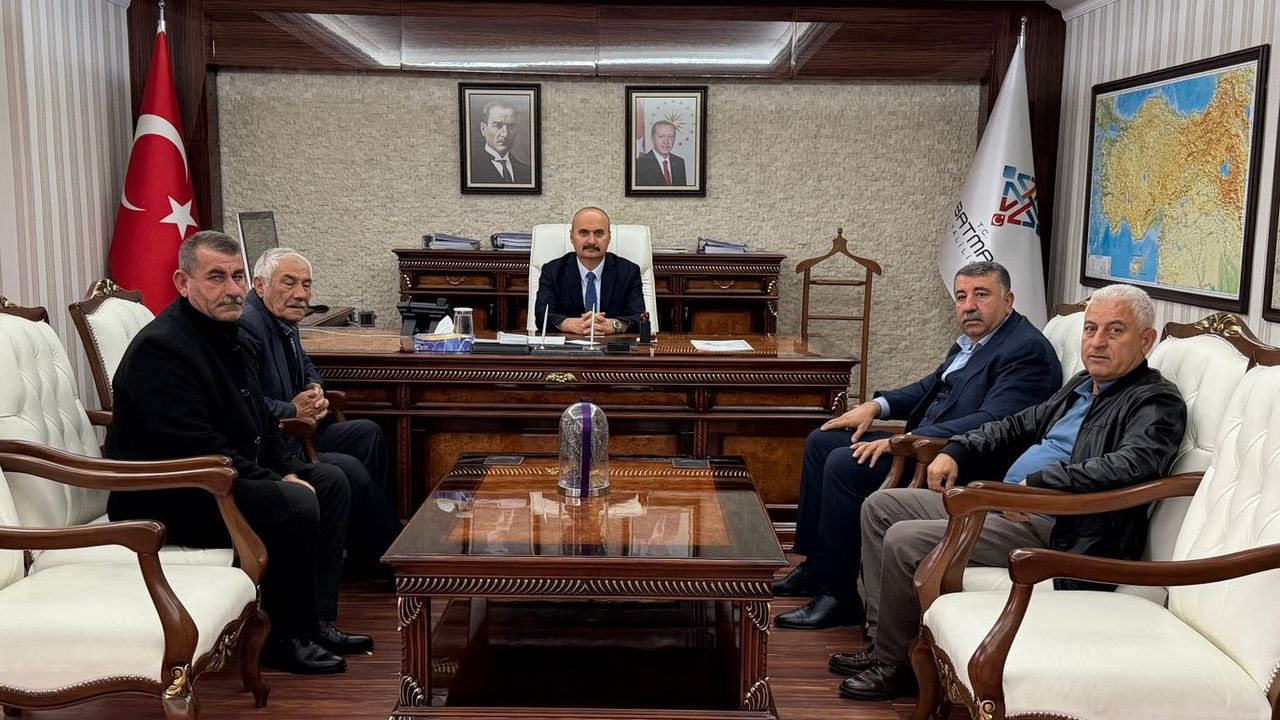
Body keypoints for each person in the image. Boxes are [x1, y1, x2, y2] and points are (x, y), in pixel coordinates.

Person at [836, 283, 1186, 701]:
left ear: (1146, 340)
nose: (1096, 342)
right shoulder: (1082, 386)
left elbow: (1133, 465)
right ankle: (885, 644)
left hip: (1065, 531)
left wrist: (1040, 484)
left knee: (904, 538)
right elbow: (1016, 424)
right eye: (1091, 329)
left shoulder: (1155, 401)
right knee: (881, 506)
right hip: (1009, 505)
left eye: (1115, 331)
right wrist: (957, 449)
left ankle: (894, 667)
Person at [105, 230, 372, 675]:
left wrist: (287, 466)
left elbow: (258, 421)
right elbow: (195, 446)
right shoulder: (162, 349)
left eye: (237, 277)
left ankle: (316, 623)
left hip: (219, 473)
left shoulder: (231, 334)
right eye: (216, 277)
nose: (232, 289)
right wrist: (275, 480)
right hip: (170, 491)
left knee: (329, 481)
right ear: (183, 282)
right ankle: (283, 639)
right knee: (296, 500)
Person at [773, 261, 1060, 630]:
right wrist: (876, 406)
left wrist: (903, 442)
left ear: (1008, 300)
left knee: (845, 464)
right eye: (961, 297)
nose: (969, 306)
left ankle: (839, 596)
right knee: (821, 441)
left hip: (960, 461)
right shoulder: (976, 342)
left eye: (981, 295)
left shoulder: (1026, 351)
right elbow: (930, 387)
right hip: (924, 445)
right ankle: (817, 567)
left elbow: (994, 421)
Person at [239, 247, 401, 576]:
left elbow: (307, 367)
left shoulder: (283, 315)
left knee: (367, 433)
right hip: (277, 439)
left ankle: (364, 551)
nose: (301, 294)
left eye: (307, 285)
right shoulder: (248, 326)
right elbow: (245, 402)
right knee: (350, 469)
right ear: (260, 285)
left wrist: (315, 390)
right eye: (289, 283)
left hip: (304, 427)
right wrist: (293, 408)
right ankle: (391, 560)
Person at [534, 206, 646, 335]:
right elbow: (542, 316)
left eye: (599, 233)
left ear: (609, 237)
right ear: (572, 237)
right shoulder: (553, 271)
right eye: (583, 233)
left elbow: (639, 317)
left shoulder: (628, 272)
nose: (592, 241)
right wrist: (570, 324)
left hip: (613, 345)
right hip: (569, 345)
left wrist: (613, 325)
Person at [471, 99, 531, 184]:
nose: (505, 134)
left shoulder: (526, 171)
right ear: (483, 129)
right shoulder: (471, 168)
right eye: (497, 125)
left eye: (511, 126)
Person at [634, 120, 688, 186]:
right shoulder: (639, 165)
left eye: (670, 136)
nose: (666, 141)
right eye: (661, 136)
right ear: (652, 138)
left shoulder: (679, 162)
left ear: (674, 139)